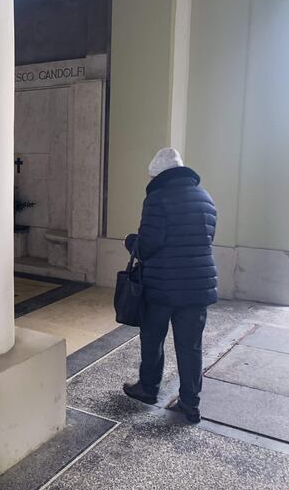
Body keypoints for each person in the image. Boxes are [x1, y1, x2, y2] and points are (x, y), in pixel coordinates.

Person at [122, 147, 217, 424]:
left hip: (162, 287)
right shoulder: (205, 197)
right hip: (198, 287)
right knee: (191, 347)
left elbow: (148, 245)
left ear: (158, 175)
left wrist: (130, 241)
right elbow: (204, 240)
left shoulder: (157, 199)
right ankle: (190, 404)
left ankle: (148, 389)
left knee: (153, 339)